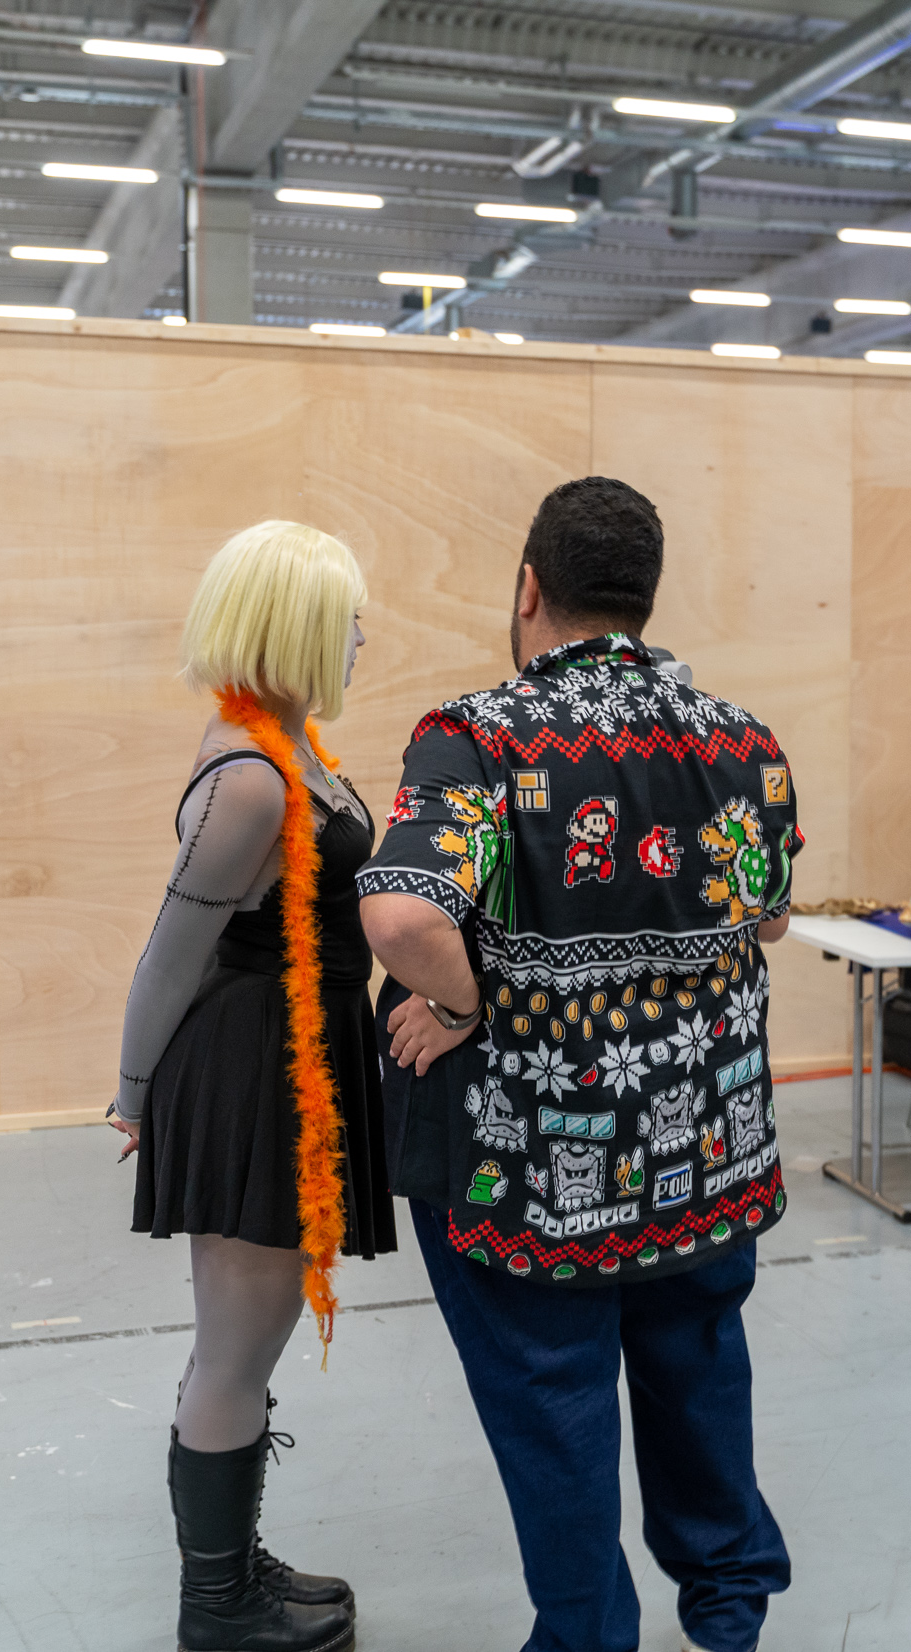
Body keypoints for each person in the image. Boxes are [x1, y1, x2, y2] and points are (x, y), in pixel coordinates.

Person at [358, 476, 802, 1652]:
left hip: (534, 1175)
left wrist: (461, 1000)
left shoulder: (477, 739)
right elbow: (766, 918)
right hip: (705, 1147)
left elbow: (402, 915)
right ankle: (727, 1611)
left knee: (553, 1405)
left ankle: (588, 1635)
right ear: (642, 596)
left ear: (528, 589)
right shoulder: (743, 739)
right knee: (698, 1371)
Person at [109, 520, 394, 1652]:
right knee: (236, 1349)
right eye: (346, 619)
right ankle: (217, 1606)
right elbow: (170, 952)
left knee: (244, 1344)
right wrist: (134, 1093)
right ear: (296, 628)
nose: (361, 637)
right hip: (256, 1071)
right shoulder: (248, 781)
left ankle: (232, 1570)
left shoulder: (288, 747)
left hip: (295, 1053)